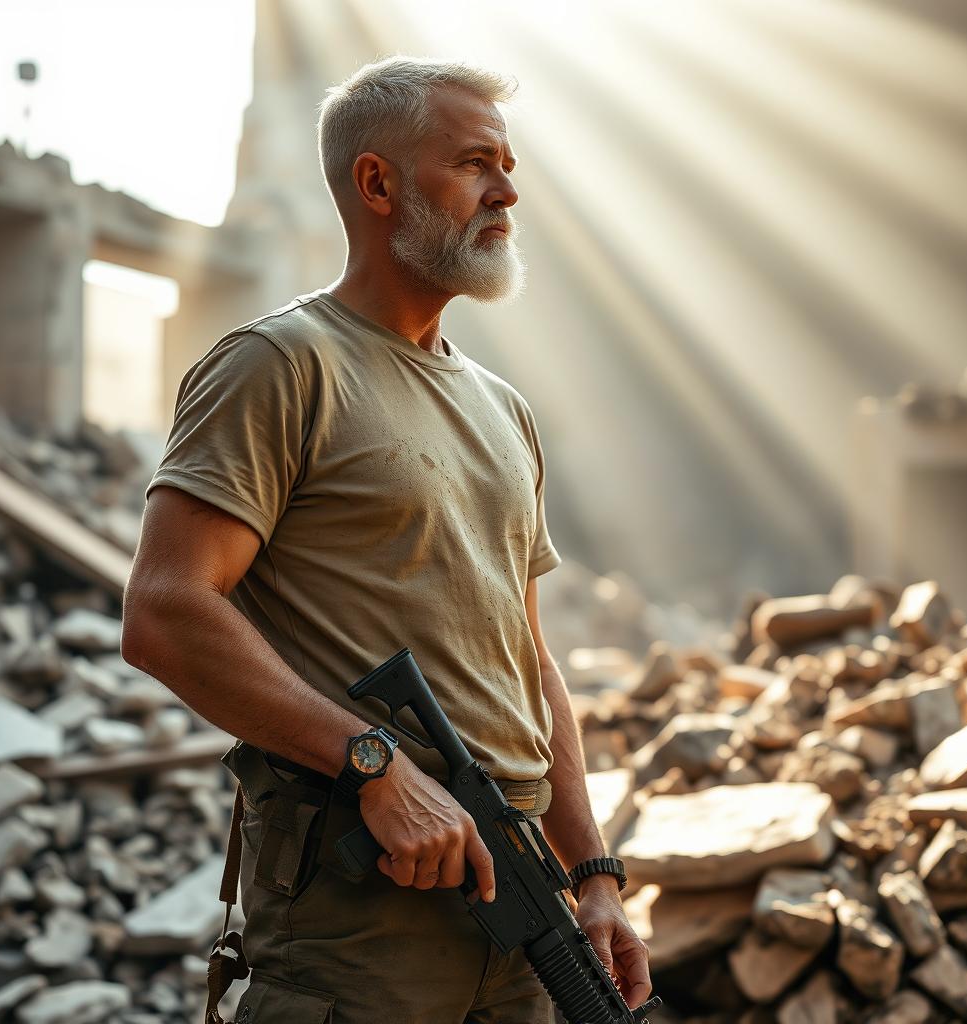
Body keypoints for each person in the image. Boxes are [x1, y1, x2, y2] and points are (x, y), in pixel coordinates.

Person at [121, 55, 652, 1024]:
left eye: (508, 163)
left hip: (527, 918)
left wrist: (595, 873)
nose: (508, 189)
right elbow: (164, 610)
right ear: (378, 183)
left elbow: (529, 662)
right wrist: (371, 761)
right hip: (359, 932)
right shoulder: (277, 366)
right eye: (474, 163)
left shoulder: (504, 410)